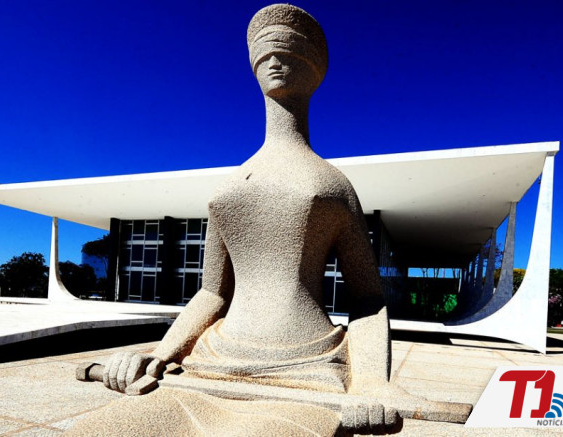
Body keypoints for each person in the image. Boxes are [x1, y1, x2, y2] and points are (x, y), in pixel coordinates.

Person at [67, 4, 394, 435]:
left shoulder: (332, 186)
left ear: (315, 70)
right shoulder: (229, 188)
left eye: (288, 54)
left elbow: (368, 299)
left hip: (306, 369)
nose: (275, 63)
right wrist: (160, 355)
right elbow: (212, 293)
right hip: (210, 362)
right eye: (265, 57)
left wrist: (371, 382)